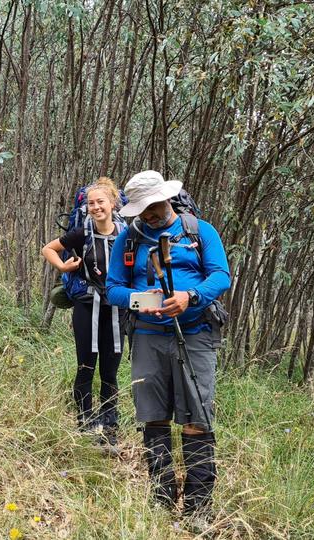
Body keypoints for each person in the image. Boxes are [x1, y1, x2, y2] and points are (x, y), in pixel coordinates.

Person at [105, 170, 231, 518]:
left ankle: (197, 509)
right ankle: (161, 501)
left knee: (198, 416)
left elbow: (221, 275)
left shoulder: (199, 231)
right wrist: (143, 300)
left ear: (167, 199)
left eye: (154, 207)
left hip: (196, 334)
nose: (149, 215)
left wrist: (190, 296)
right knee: (154, 417)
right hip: (147, 336)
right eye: (142, 210)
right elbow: (113, 288)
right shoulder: (127, 240)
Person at [40, 177, 126, 449]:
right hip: (87, 306)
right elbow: (49, 249)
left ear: (113, 204)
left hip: (116, 309)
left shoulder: (126, 233)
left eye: (101, 201)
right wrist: (64, 268)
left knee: (110, 371)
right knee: (86, 366)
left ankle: (109, 425)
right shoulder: (82, 232)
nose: (96, 207)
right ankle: (85, 423)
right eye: (91, 203)